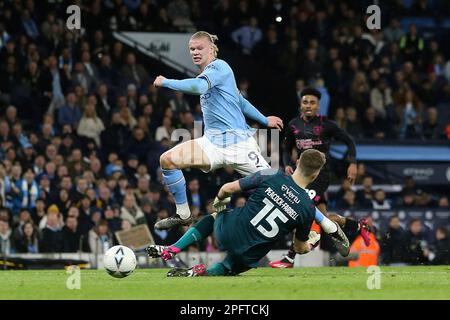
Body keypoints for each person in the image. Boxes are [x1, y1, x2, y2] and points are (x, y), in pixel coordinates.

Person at [152, 31, 283, 230]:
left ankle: (320, 225)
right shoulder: (210, 75)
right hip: (212, 143)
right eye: (192, 49)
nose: (195, 52)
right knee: (167, 160)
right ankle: (183, 215)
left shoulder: (219, 67)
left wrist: (166, 81)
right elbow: (240, 101)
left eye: (199, 48)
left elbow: (198, 87)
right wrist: (264, 119)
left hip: (240, 144)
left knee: (277, 188)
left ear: (212, 48)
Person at [147, 149, 349, 277]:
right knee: (230, 267)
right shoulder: (308, 207)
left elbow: (227, 188)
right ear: (315, 175)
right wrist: (312, 242)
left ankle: (173, 249)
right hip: (250, 252)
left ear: (297, 163)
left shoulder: (272, 173)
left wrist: (219, 205)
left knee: (214, 218)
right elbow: (299, 248)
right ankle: (201, 272)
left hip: (228, 231)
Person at [270, 87, 370, 268]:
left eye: (312, 102)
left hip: (321, 175)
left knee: (302, 209)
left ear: (318, 106)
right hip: (303, 176)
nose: (308, 105)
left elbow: (349, 141)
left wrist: (353, 163)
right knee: (322, 218)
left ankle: (290, 257)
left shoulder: (327, 125)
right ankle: (357, 226)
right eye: (305, 102)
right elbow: (286, 149)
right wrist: (288, 165)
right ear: (300, 104)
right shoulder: (293, 125)